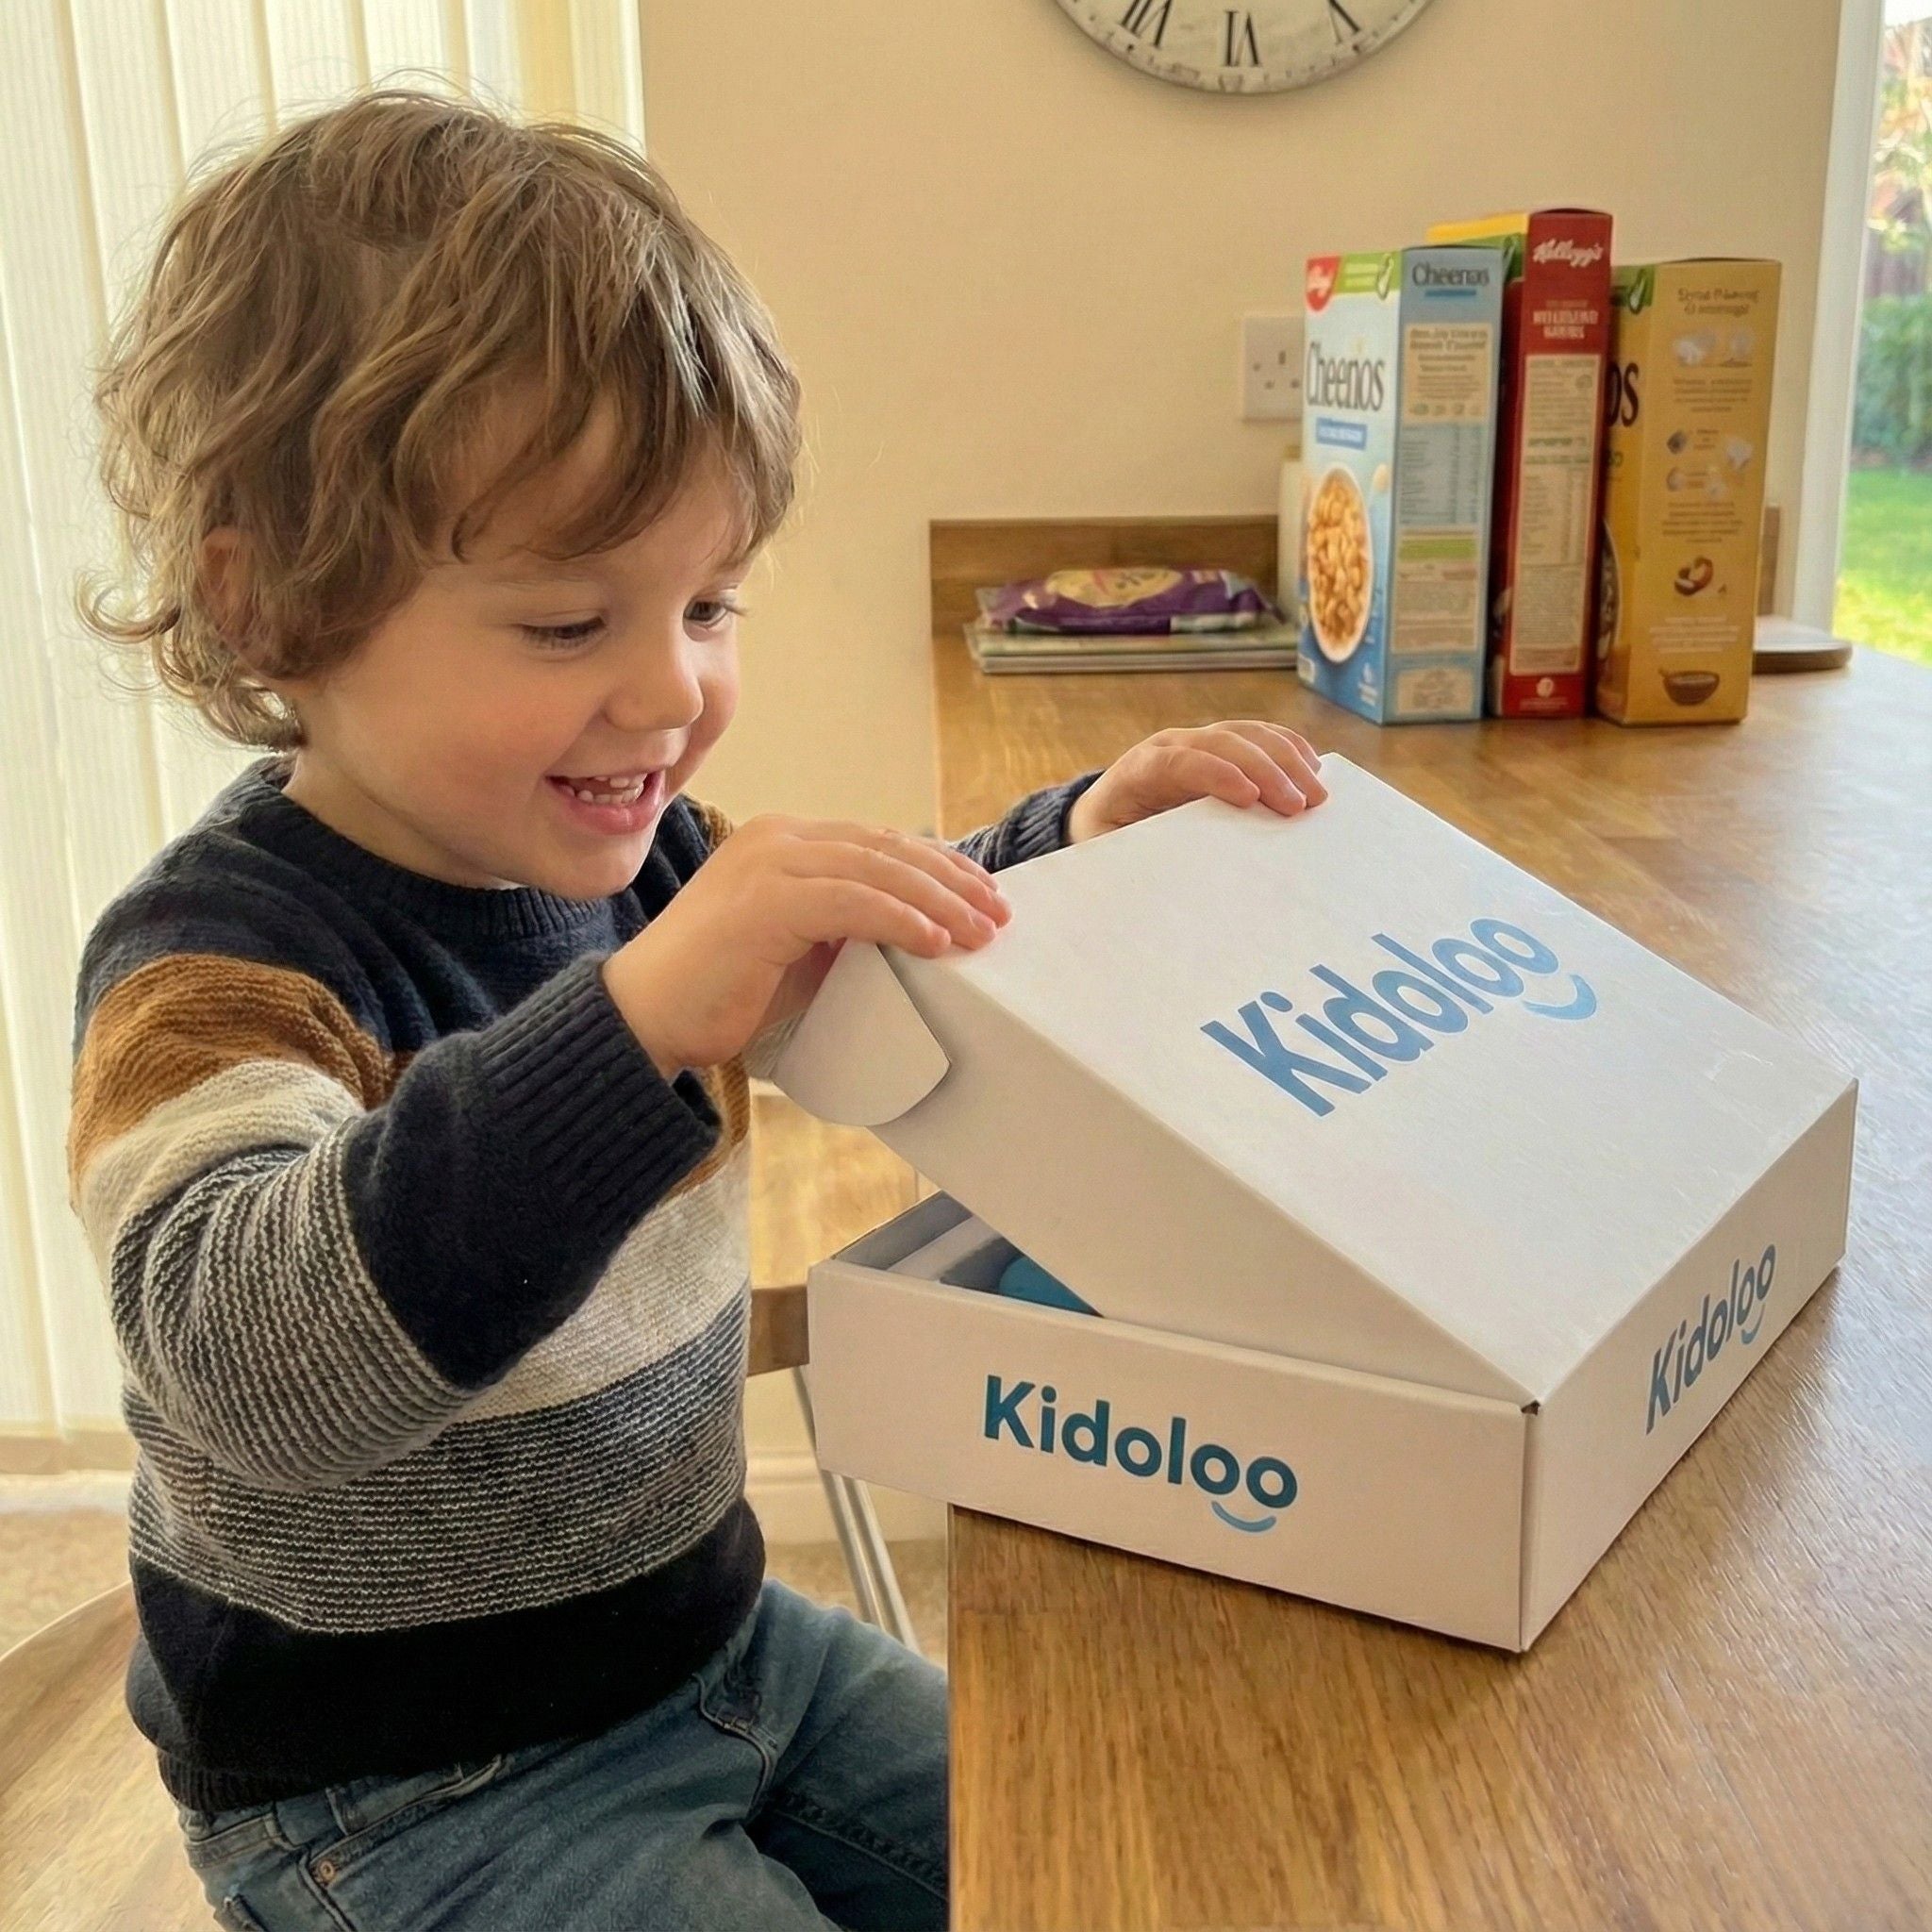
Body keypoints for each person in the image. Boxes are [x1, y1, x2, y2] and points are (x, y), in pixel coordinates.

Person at [69, 88, 1326, 1932]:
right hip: (400, 1791)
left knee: (1112, 1858)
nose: (671, 692)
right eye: (566, 625)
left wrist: (1074, 843)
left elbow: (866, 930)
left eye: (712, 603)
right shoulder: (214, 967)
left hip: (716, 1650)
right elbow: (257, 1364)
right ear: (268, 608)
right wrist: (632, 1029)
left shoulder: (640, 869)